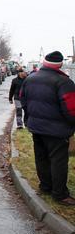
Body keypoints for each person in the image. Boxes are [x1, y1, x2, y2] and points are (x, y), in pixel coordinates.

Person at [20, 51, 75, 206]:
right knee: (58, 161)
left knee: (41, 158)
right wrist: (72, 124)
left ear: (44, 63)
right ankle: (60, 194)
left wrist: (30, 118)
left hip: (36, 128)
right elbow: (71, 109)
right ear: (60, 65)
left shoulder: (30, 78)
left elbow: (23, 99)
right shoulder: (64, 82)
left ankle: (45, 187)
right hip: (57, 131)